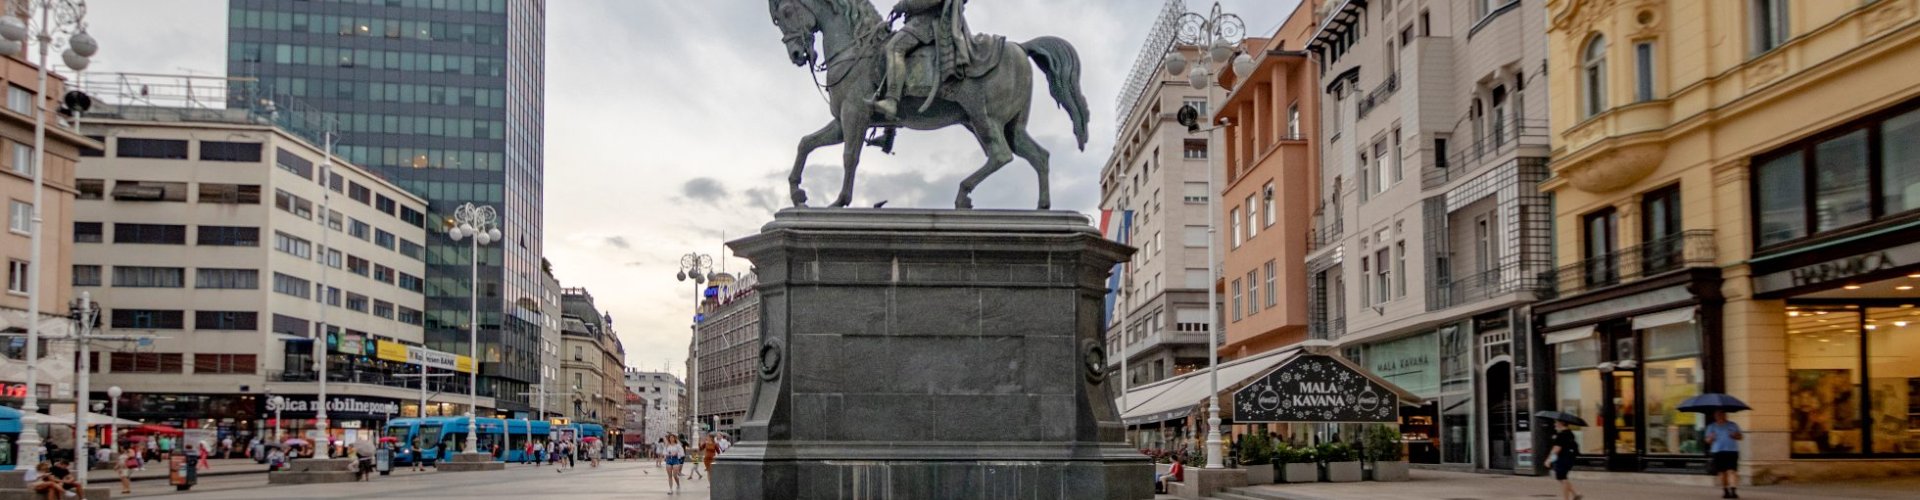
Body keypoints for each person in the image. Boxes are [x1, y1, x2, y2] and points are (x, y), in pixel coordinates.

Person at [1706, 410, 1745, 498]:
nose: (1719, 416)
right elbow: (1707, 441)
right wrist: (1711, 438)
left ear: (1725, 415)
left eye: (1721, 414)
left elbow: (1740, 437)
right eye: (1717, 414)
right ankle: (1726, 490)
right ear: (1715, 416)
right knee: (1722, 473)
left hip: (1732, 451)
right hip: (1718, 451)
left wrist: (1735, 435)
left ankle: (1733, 491)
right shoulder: (1711, 426)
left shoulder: (1732, 425)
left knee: (1732, 471)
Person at [1546, 420, 1582, 500]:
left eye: (1556, 422)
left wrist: (1549, 460)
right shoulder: (1570, 433)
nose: (1555, 424)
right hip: (1569, 458)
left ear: (1561, 423)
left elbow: (1556, 449)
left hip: (1562, 459)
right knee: (1562, 478)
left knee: (1562, 479)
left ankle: (1566, 498)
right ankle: (1575, 494)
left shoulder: (1561, 435)